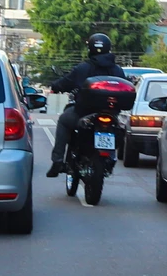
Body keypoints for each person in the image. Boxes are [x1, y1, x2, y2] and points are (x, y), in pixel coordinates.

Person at [46, 33, 126, 177]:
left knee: (64, 121)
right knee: (117, 130)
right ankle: (110, 158)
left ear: (90, 48)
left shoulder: (83, 68)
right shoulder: (118, 70)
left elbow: (65, 82)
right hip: (111, 114)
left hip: (83, 113)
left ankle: (57, 161)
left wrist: (55, 86)